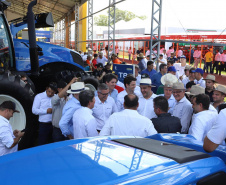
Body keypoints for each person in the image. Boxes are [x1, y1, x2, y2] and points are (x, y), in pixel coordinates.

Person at [51, 78, 77, 142]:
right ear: (58, 89)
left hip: (68, 129)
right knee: (57, 149)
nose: (66, 90)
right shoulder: (55, 99)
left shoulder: (70, 100)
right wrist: (70, 83)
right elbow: (59, 96)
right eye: (63, 88)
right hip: (57, 130)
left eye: (67, 88)